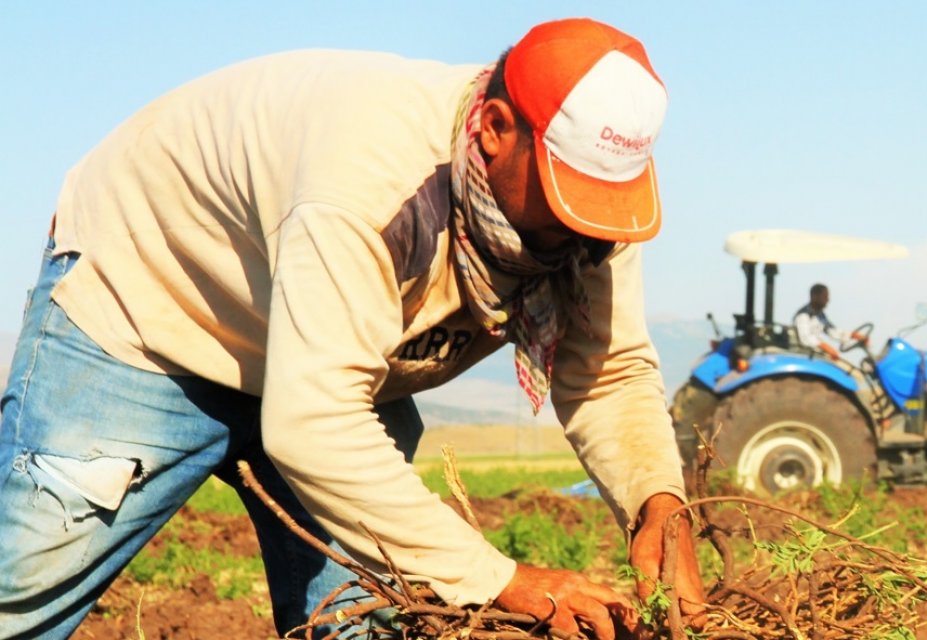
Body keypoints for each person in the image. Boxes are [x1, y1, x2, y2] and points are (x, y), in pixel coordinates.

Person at [0, 17, 704, 640]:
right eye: (562, 199)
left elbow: (607, 370)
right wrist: (500, 577)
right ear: (493, 128)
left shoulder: (599, 207)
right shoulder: (370, 183)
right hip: (150, 308)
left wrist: (659, 507)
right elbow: (316, 424)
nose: (579, 229)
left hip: (329, 359)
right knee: (20, 597)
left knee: (366, 616)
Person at [793, 283, 866, 359]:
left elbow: (832, 331)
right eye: (824, 296)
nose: (827, 300)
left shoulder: (820, 315)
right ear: (814, 297)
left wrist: (852, 335)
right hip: (807, 356)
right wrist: (825, 347)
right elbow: (806, 338)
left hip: (817, 355)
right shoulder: (803, 315)